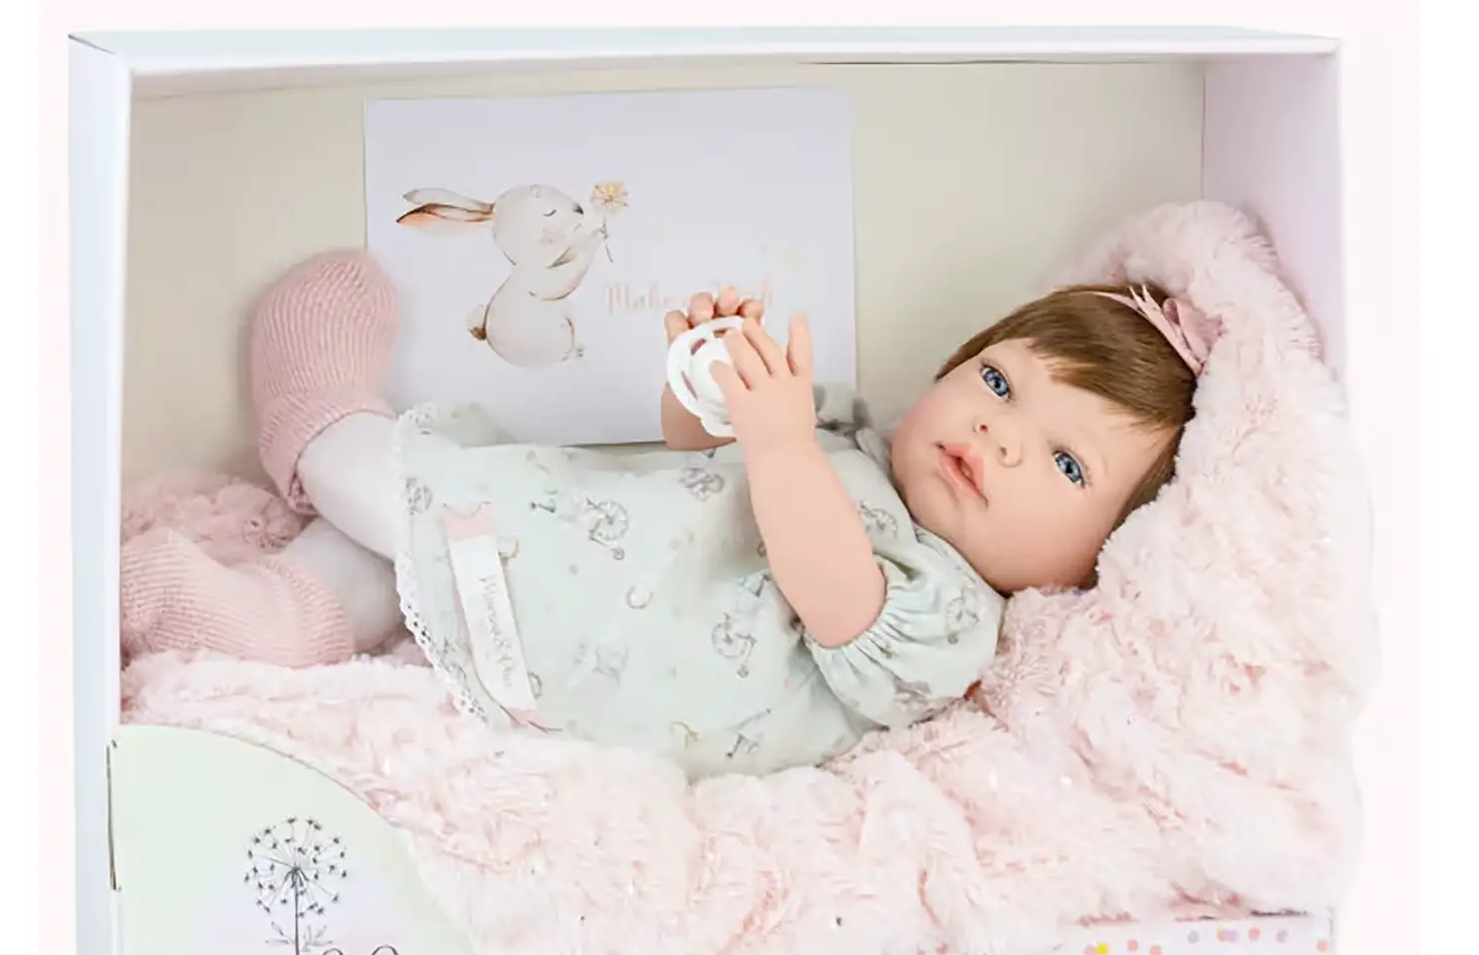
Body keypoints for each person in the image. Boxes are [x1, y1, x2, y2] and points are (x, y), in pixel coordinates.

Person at [122, 249, 1210, 776]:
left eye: (1065, 466)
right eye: (1000, 382)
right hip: (572, 565)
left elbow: (837, 600)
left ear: (1099, 559)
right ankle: (270, 620)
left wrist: (780, 443)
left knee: (434, 504)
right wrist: (709, 386)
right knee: (399, 565)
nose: (1001, 435)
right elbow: (695, 453)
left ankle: (321, 426)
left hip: (600, 635)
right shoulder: (855, 435)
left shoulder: (953, 619)